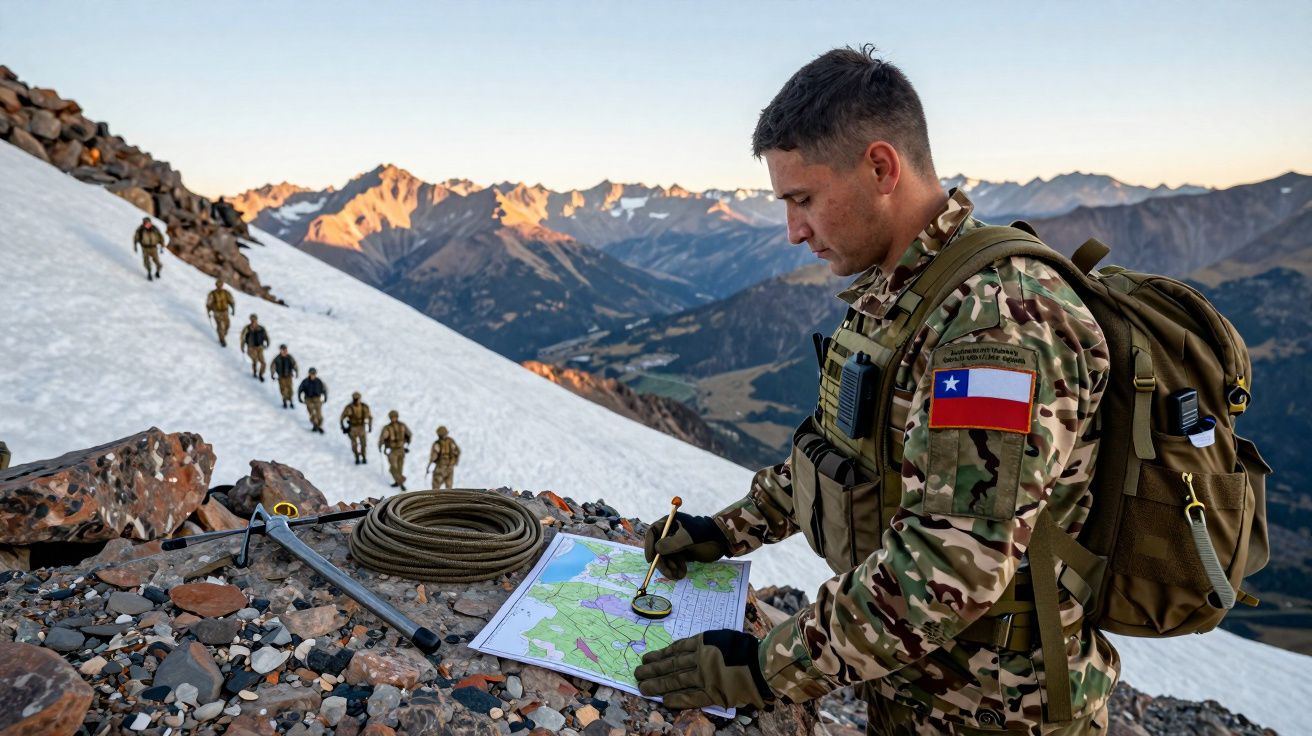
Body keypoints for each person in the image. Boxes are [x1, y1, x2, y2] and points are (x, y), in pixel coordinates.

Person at [633, 46, 1115, 735]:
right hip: (915, 689)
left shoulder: (995, 323)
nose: (794, 230)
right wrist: (724, 531)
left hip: (1000, 712)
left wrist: (765, 667)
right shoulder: (900, 294)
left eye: (803, 200)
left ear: (881, 168)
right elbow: (839, 455)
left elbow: (950, 566)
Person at [378, 410, 413, 490]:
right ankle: (400, 482)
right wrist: (381, 446)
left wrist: (407, 445)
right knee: (394, 468)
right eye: (392, 417)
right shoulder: (389, 427)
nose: (393, 419)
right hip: (393, 450)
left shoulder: (400, 426)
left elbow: (409, 435)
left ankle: (399, 482)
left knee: (399, 467)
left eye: (394, 417)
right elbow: (382, 438)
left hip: (399, 449)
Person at [340, 392, 373, 464]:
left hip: (361, 427)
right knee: (354, 445)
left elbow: (370, 417)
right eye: (355, 399)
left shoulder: (364, 407)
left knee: (363, 444)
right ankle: (357, 457)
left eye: (357, 399)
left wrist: (370, 426)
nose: (356, 400)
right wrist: (343, 427)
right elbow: (342, 418)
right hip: (352, 428)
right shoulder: (349, 408)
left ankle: (364, 457)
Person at [427, 426, 460, 490]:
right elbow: (457, 452)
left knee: (436, 486)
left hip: (440, 467)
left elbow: (434, 456)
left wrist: (430, 462)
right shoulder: (451, 441)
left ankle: (436, 499)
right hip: (450, 467)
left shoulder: (437, 443)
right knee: (449, 487)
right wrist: (454, 462)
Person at [239, 314, 270, 382]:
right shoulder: (247, 328)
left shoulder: (261, 328)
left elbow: (266, 336)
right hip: (251, 348)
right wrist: (242, 346)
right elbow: (243, 338)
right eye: (252, 320)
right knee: (255, 360)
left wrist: (267, 343)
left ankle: (261, 374)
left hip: (260, 348)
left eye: (254, 320)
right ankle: (254, 372)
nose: (253, 322)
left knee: (263, 363)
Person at [206, 278, 236, 346]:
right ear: (216, 285)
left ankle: (222, 334)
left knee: (227, 325)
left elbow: (231, 301)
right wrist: (209, 312)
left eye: (220, 285)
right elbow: (208, 304)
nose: (219, 286)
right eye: (218, 285)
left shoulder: (226, 292)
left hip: (225, 312)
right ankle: (222, 340)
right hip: (217, 312)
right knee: (220, 326)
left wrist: (233, 309)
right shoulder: (212, 293)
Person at [132, 217, 165, 281]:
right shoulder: (140, 230)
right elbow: (136, 238)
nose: (148, 224)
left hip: (154, 248)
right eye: (146, 223)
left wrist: (162, 245)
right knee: (146, 261)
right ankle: (149, 272)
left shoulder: (155, 229)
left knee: (157, 262)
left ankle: (157, 272)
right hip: (145, 248)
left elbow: (161, 237)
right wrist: (135, 246)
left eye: (149, 222)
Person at [297, 368, 328, 433]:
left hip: (317, 398)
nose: (312, 375)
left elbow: (324, 389)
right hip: (308, 399)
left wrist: (325, 397)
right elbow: (300, 389)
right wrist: (300, 398)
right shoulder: (305, 381)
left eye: (314, 374)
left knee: (319, 414)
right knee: (312, 412)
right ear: (309, 374)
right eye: (311, 374)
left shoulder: (319, 381)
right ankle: (315, 424)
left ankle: (318, 425)